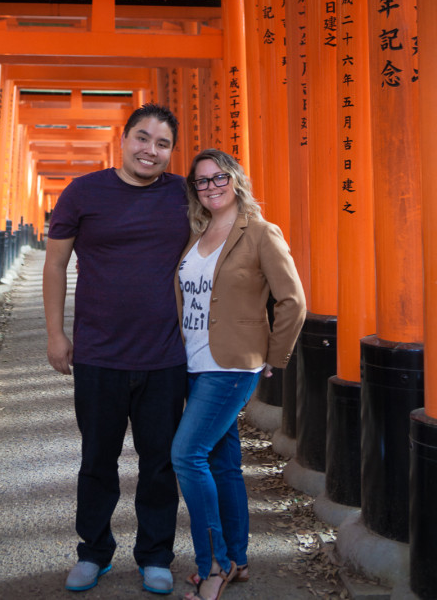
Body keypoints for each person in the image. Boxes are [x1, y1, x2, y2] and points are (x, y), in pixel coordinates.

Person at [43, 103, 190, 595]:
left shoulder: (184, 195)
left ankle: (154, 555)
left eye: (163, 144)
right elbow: (55, 265)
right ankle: (94, 552)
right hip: (99, 353)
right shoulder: (85, 192)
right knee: (97, 459)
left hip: (166, 354)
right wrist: (55, 333)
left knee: (160, 462)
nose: (151, 150)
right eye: (143, 138)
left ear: (171, 152)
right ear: (123, 139)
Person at [171, 148, 306, 600]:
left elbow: (292, 301)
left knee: (187, 455)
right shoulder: (198, 232)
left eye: (218, 178)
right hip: (193, 362)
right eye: (201, 181)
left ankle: (215, 563)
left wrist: (276, 357)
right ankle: (240, 558)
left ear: (235, 179)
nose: (210, 187)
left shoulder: (261, 233)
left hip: (230, 365)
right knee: (222, 463)